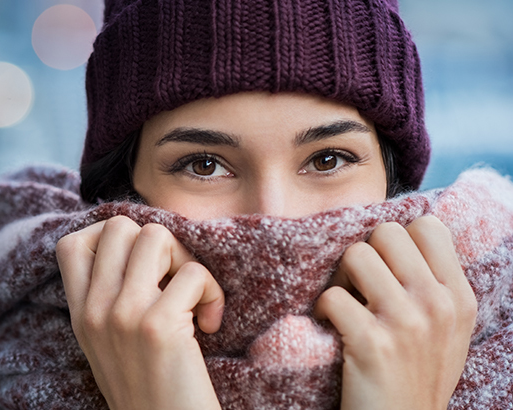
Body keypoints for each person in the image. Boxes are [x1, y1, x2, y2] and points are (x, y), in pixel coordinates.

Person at [55, 0, 477, 409]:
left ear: (392, 180)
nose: (274, 220)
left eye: (327, 160)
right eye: (204, 165)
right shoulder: (2, 361)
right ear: (122, 190)